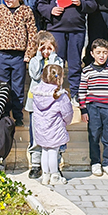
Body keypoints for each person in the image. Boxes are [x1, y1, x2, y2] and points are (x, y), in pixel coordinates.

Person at [38, 0, 97, 97]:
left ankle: (76, 93)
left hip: (76, 31)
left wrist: (81, 3)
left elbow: (92, 5)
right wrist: (51, 10)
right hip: (56, 30)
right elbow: (40, 5)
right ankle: (54, 91)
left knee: (75, 64)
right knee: (56, 63)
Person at [0, 0, 39, 124]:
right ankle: (3, 113)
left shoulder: (26, 11)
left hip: (19, 56)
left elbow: (32, 34)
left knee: (17, 87)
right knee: (2, 86)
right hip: (2, 55)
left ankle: (18, 115)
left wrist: (29, 54)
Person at [25, 31, 64, 180]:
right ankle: (36, 164)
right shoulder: (35, 61)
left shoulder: (58, 61)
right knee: (36, 135)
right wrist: (39, 57)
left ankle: (56, 164)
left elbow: (57, 75)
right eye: (43, 48)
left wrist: (52, 58)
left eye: (49, 48)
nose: (46, 51)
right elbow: (35, 75)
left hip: (53, 104)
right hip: (36, 105)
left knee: (55, 134)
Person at [78, 38, 108, 177]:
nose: (102, 55)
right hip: (93, 107)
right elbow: (82, 90)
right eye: (98, 52)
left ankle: (107, 162)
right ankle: (95, 162)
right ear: (92, 53)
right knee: (94, 135)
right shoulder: (87, 71)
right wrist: (83, 109)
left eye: (105, 52)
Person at [30, 62, 73, 186]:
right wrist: (66, 122)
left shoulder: (37, 92)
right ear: (59, 78)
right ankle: (54, 175)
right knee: (54, 151)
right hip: (55, 128)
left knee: (44, 150)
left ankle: (45, 175)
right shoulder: (60, 95)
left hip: (41, 128)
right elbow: (67, 113)